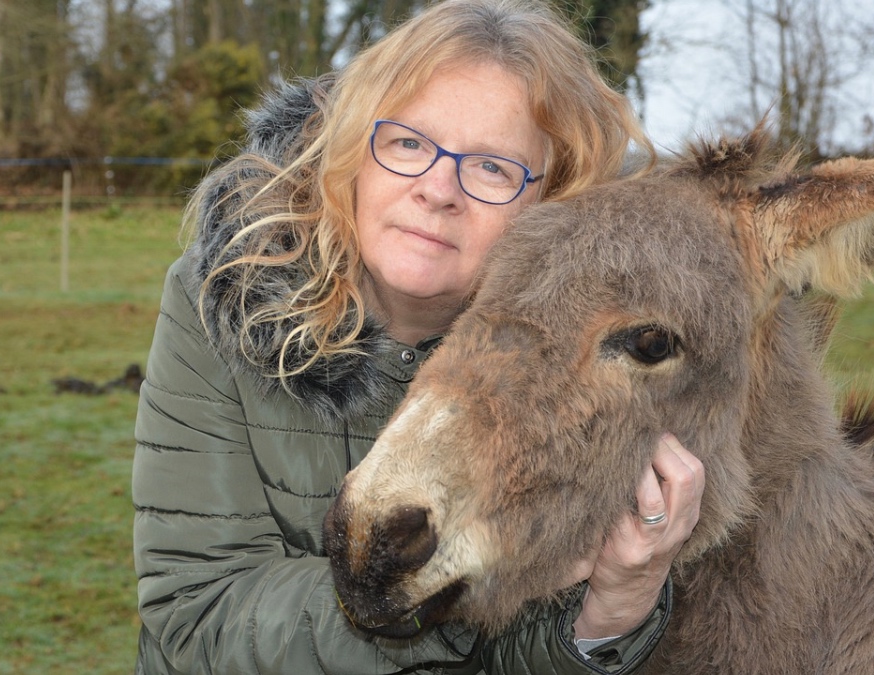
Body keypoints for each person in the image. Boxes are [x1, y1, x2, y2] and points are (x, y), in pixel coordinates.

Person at [131, 1, 705, 673]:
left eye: (493, 167)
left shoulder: (580, 368)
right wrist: (436, 607)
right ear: (353, 145)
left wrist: (611, 612)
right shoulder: (222, 294)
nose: (438, 189)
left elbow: (538, 645)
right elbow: (199, 610)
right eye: (409, 142)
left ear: (554, 206)